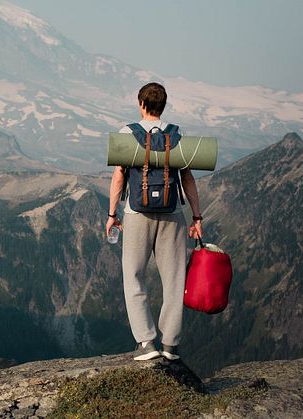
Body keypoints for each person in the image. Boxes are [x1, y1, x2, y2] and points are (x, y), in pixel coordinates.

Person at [105, 82, 203, 361]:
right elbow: (187, 179)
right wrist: (196, 217)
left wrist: (112, 214)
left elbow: (119, 176)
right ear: (163, 105)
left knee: (134, 276)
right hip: (172, 216)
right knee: (174, 280)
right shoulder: (176, 134)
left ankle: (146, 343)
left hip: (137, 215)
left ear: (141, 103)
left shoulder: (128, 133)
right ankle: (170, 345)